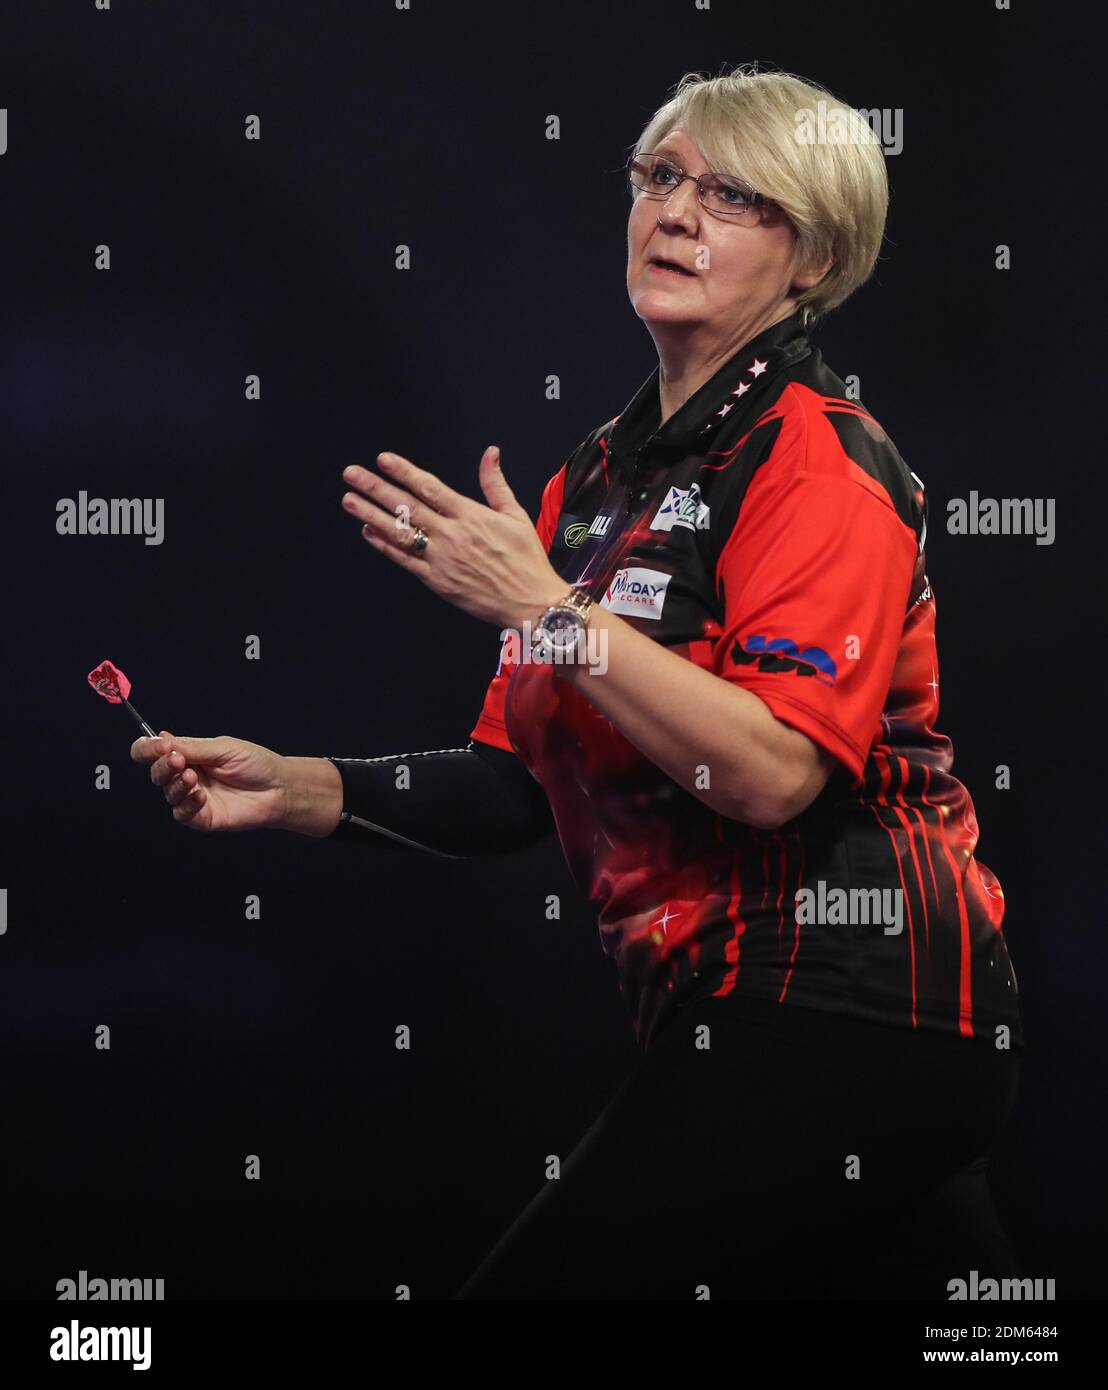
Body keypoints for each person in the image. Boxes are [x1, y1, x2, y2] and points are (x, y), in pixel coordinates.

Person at [131, 63, 1024, 1300]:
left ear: (811, 258)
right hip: (783, 1021)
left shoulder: (819, 456)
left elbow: (767, 774)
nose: (674, 212)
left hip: (848, 1005)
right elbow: (512, 780)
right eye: (659, 176)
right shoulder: (595, 485)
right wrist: (297, 788)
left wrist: (542, 608)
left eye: (730, 196)